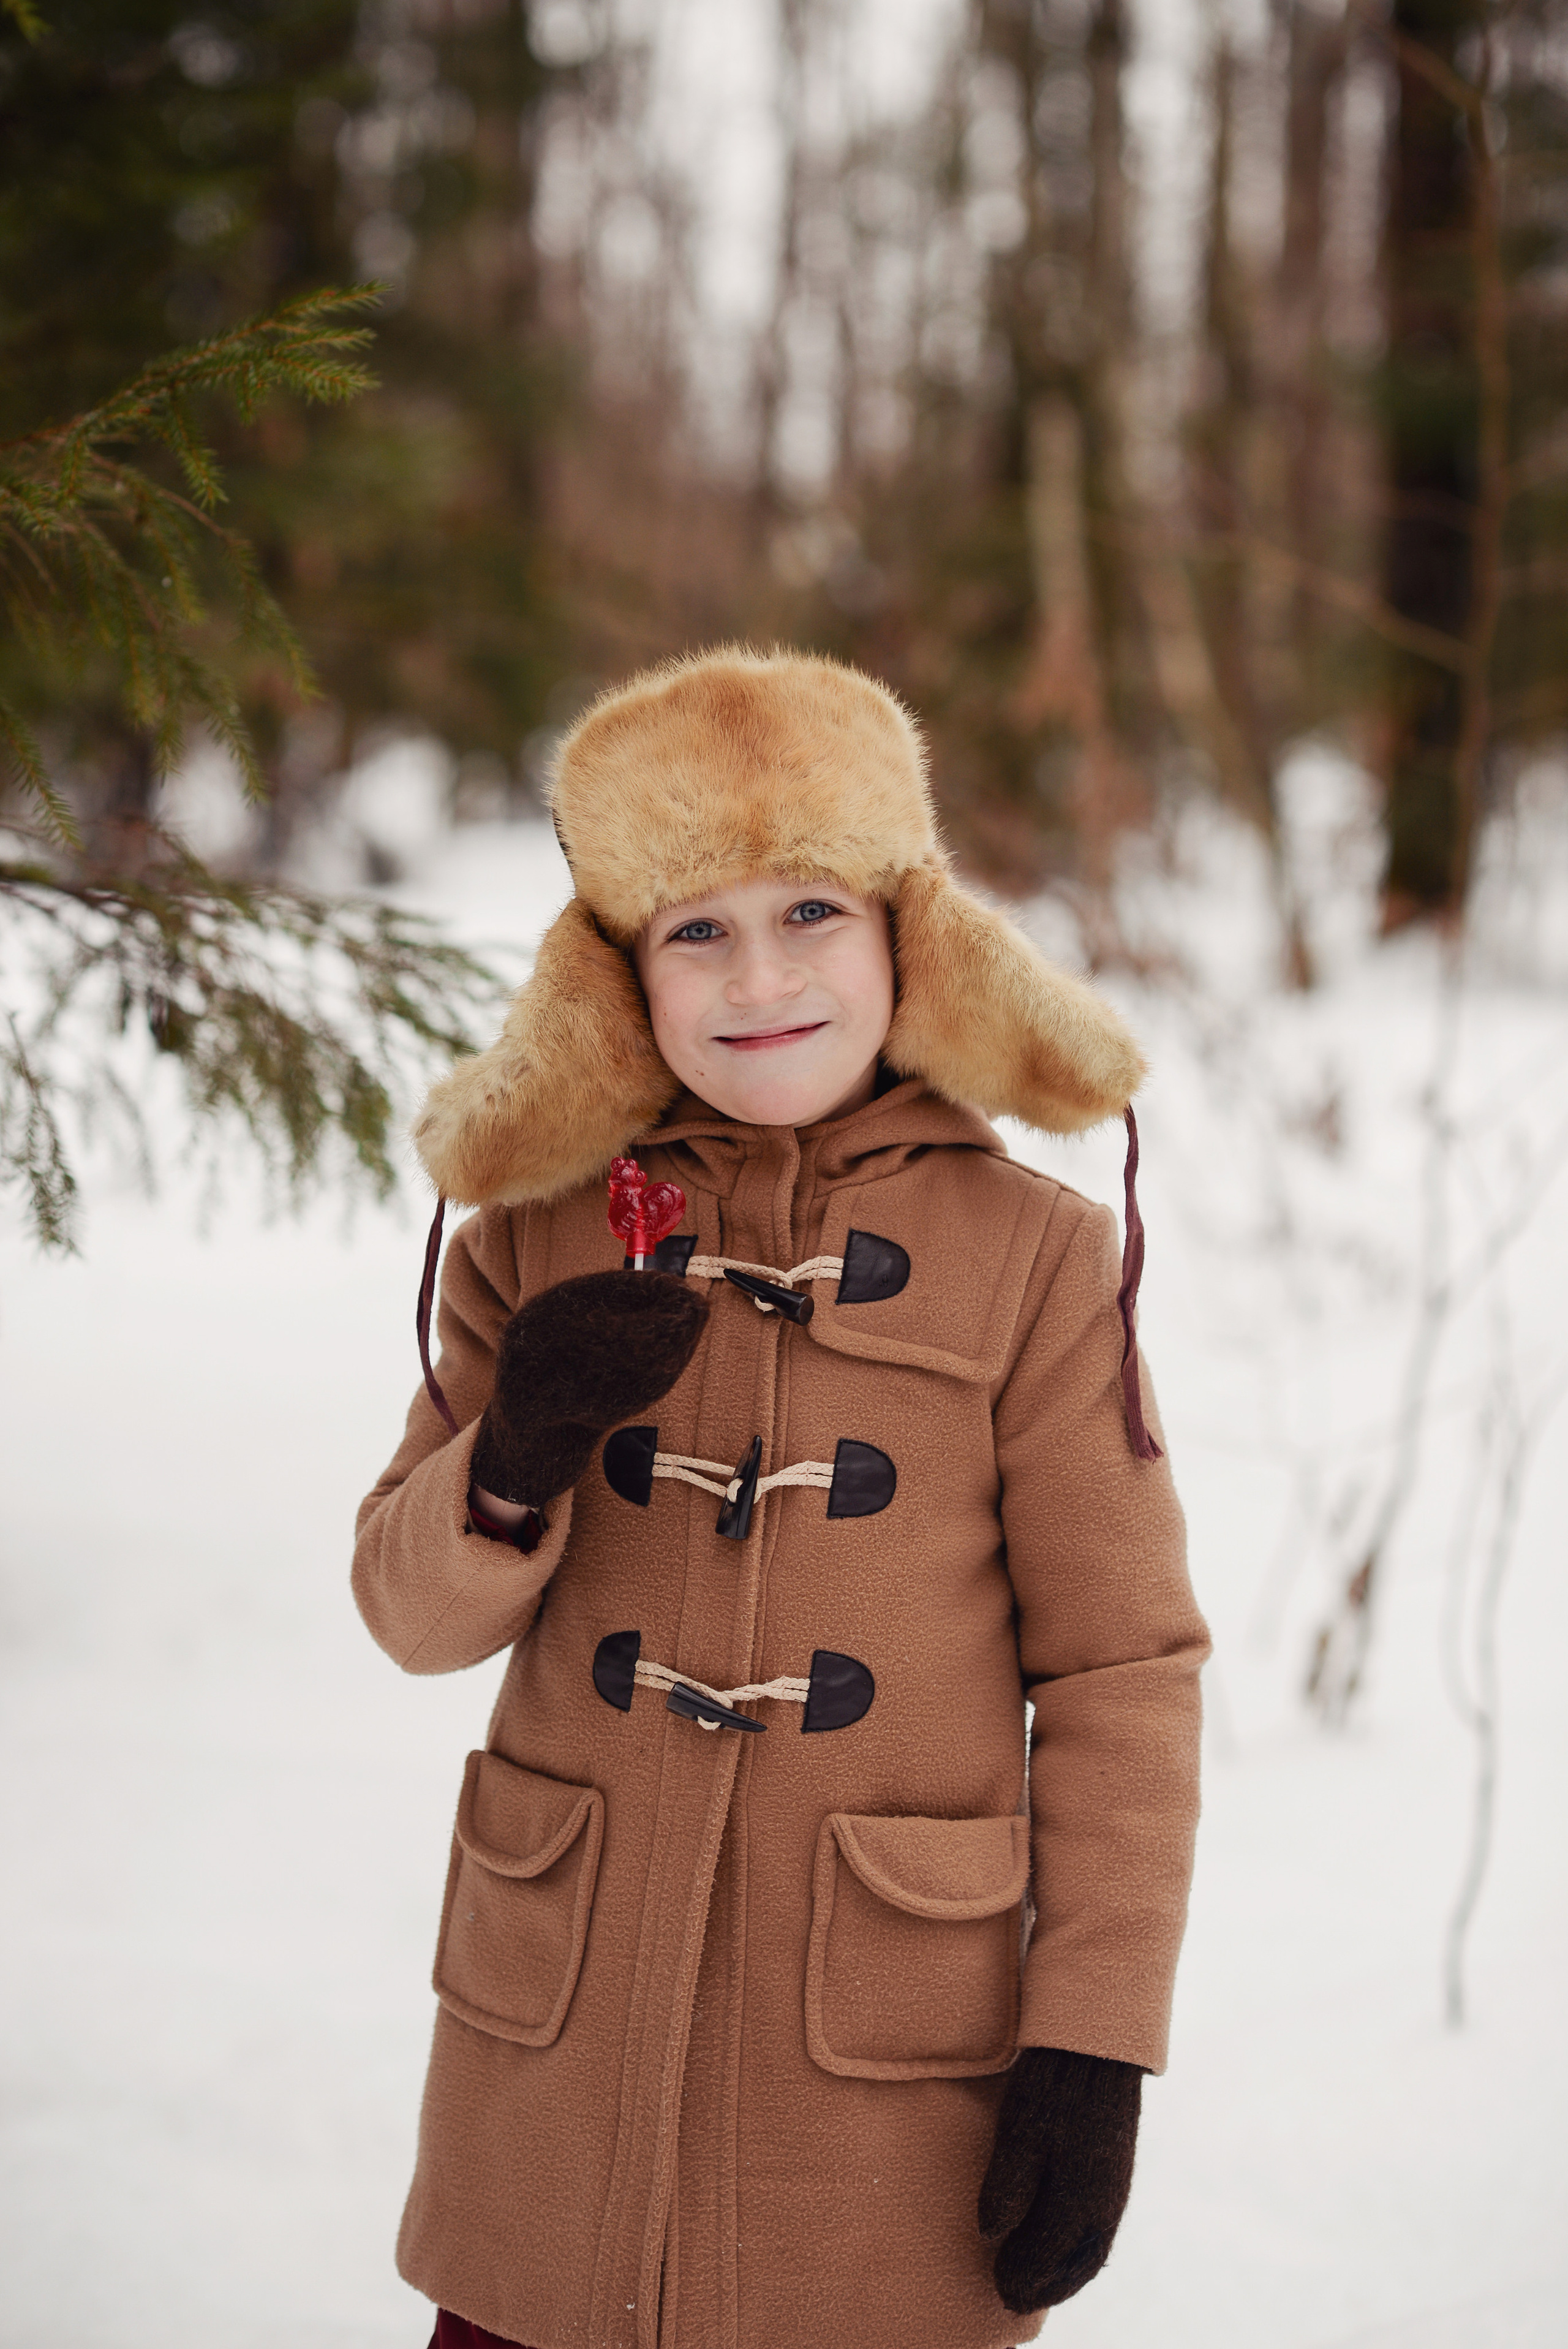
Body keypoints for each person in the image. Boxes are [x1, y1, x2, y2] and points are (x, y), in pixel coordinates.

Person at [353, 646, 1208, 2349]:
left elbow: (1124, 1671)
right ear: (618, 972)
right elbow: (403, 1608)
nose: (761, 976)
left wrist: (1094, 2039)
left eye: (811, 909)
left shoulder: (1038, 1261)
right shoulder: (540, 1229)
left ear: (909, 927)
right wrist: (511, 1459)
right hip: (558, 2069)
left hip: (880, 2088)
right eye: (697, 927)